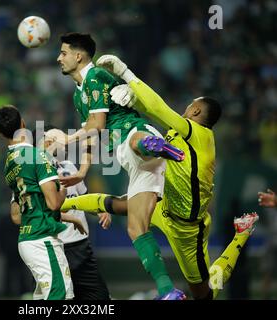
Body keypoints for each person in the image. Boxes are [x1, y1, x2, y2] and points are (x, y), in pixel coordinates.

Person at [63, 54, 259, 299]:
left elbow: (158, 108)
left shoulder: (198, 134)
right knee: (125, 208)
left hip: (188, 227)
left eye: (190, 104)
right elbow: (150, 110)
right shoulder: (179, 133)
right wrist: (133, 100)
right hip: (165, 203)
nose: (187, 106)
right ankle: (63, 203)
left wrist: (126, 73)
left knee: (205, 294)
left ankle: (240, 235)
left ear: (196, 109)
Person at [55, 32, 185, 299]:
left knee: (135, 141)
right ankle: (168, 291)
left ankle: (154, 144)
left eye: (63, 53)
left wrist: (68, 138)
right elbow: (93, 133)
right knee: (136, 228)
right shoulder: (79, 96)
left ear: (78, 56)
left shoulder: (96, 76)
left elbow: (99, 125)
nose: (59, 58)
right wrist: (82, 171)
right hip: (133, 160)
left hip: (135, 134)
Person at [0, 105, 85, 300]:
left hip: (28, 237)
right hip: (42, 238)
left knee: (43, 297)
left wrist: (69, 218)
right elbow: (53, 204)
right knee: (61, 295)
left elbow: (20, 213)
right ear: (23, 124)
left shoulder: (10, 163)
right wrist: (64, 185)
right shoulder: (38, 157)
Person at [34, 125, 111, 300]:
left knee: (100, 298)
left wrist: (99, 211)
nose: (64, 145)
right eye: (57, 140)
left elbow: (82, 197)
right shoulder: (34, 171)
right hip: (54, 246)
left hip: (81, 246)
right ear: (46, 142)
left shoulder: (68, 166)